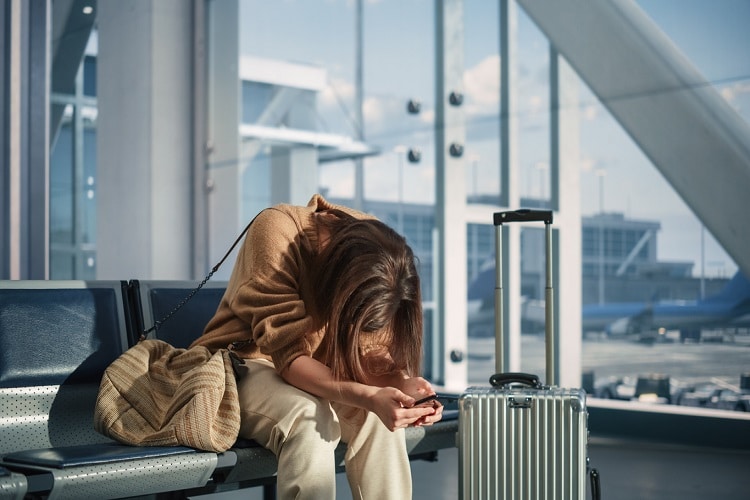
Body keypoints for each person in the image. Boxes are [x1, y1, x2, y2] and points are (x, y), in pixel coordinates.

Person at [190, 194, 443, 499]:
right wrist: (369, 395)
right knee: (309, 417)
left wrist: (402, 385)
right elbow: (289, 357)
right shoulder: (277, 230)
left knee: (378, 420)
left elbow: (369, 352)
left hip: (317, 371)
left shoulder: (379, 253)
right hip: (244, 363)